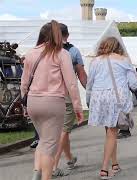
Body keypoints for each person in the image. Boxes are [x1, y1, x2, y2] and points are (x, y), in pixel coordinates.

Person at [21, 20, 84, 180]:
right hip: (53, 102)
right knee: (50, 145)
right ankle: (45, 177)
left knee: (44, 140)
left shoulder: (31, 53)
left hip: (33, 102)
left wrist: (24, 105)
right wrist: (77, 106)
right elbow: (71, 83)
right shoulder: (62, 54)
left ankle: (37, 172)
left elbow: (24, 83)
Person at [86, 37, 137, 179]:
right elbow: (134, 84)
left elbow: (89, 83)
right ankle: (104, 168)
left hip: (99, 97)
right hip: (116, 98)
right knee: (112, 132)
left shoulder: (95, 61)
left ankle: (115, 164)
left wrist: (88, 100)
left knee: (110, 132)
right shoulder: (123, 60)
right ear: (118, 46)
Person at [52, 23, 88, 177]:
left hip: (47, 96)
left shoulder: (45, 50)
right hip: (65, 95)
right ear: (68, 35)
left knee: (61, 131)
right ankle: (52, 166)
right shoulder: (73, 51)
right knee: (64, 130)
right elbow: (81, 74)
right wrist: (90, 90)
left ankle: (69, 158)